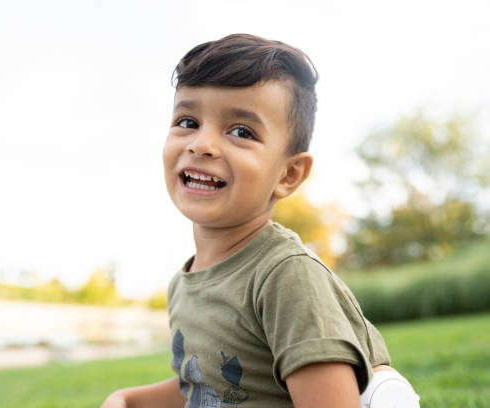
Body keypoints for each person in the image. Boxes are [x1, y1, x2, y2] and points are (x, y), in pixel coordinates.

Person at [101, 33, 420, 408]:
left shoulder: (285, 277)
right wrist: (126, 399)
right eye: (187, 121)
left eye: (241, 131)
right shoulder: (183, 284)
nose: (201, 144)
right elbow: (208, 384)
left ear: (288, 174)